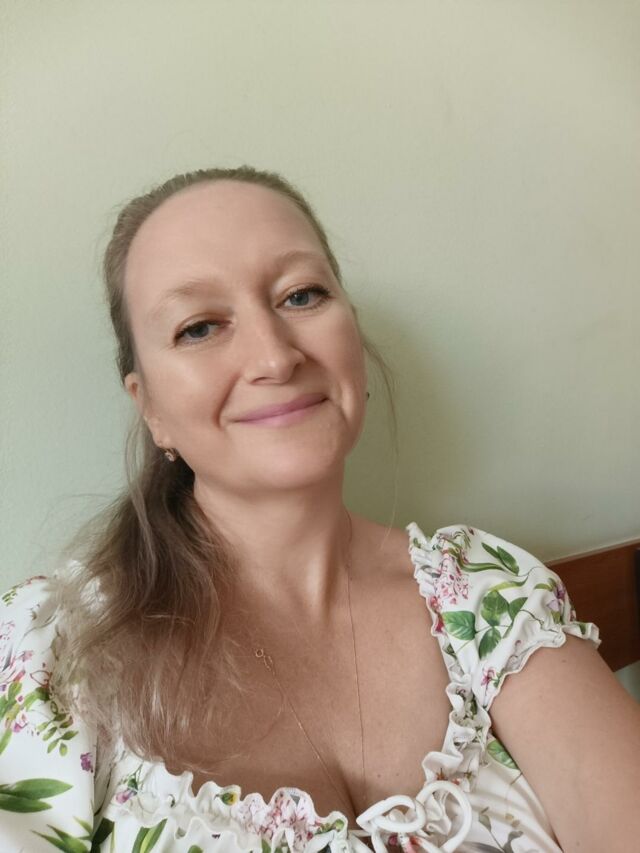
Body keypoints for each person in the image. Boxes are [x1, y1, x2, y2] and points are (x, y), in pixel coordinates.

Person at [0, 166, 638, 853]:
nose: (275, 357)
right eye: (199, 327)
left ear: (352, 335)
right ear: (149, 405)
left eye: (301, 295)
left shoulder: (488, 595)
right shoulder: (52, 654)